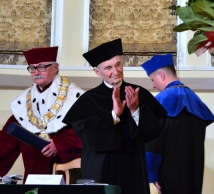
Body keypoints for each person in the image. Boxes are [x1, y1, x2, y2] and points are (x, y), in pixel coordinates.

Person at [62, 38, 166, 194]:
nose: (116, 71)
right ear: (97, 72)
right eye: (108, 68)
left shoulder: (139, 94)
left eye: (118, 65)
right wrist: (113, 115)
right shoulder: (88, 100)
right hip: (100, 168)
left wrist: (135, 110)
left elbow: (154, 132)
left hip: (132, 166)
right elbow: (89, 136)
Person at [0, 46, 83, 182]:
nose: (36, 72)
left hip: (64, 176)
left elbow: (86, 132)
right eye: (32, 68)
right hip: (33, 176)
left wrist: (59, 144)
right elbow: (5, 143)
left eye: (41, 67)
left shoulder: (75, 97)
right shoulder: (23, 103)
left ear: (55, 67)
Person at [141, 53, 214, 194]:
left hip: (169, 173)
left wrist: (152, 173)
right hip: (193, 172)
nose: (153, 85)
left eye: (152, 79)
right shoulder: (195, 100)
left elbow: (153, 141)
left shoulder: (161, 101)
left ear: (161, 75)